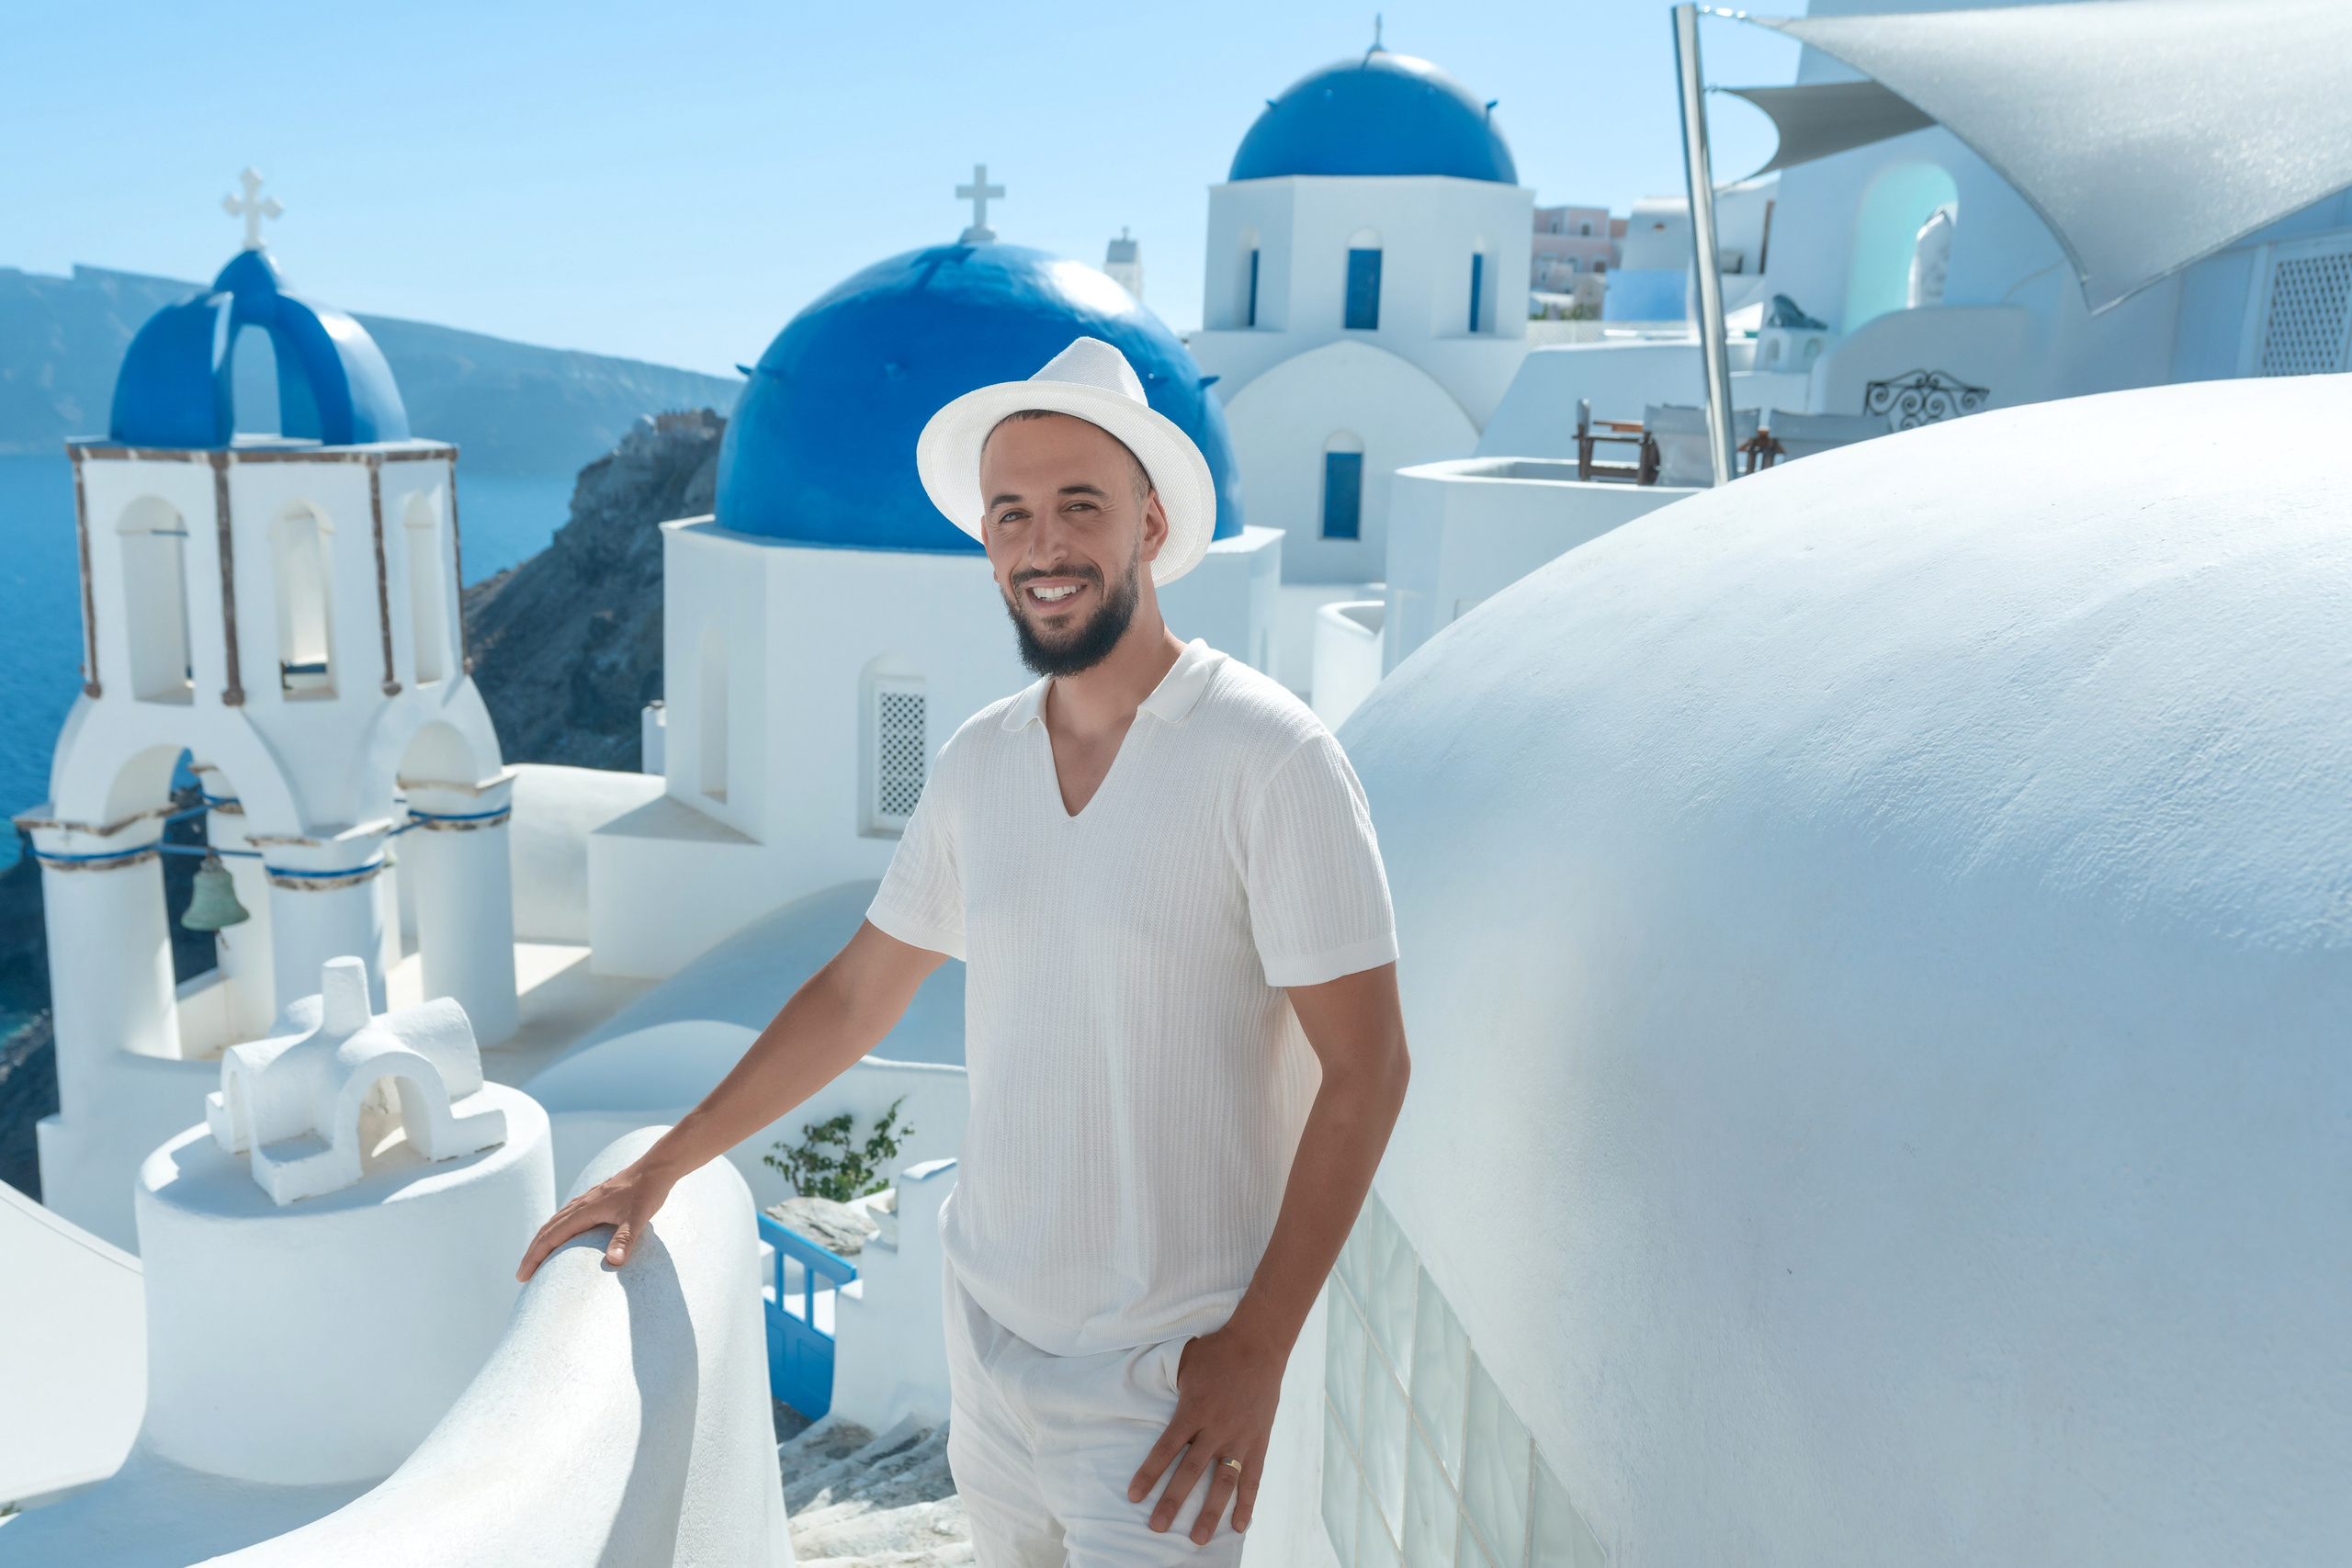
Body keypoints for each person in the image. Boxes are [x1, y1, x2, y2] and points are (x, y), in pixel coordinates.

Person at [517, 336, 1409, 1565]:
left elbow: (1369, 1071)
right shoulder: (981, 763)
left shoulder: (1271, 758)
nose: (1044, 545)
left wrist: (1253, 1354)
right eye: (1012, 514)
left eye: (1079, 507)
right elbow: (855, 995)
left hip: (1165, 1380)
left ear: (1151, 524)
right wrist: (662, 1166)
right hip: (988, 1349)